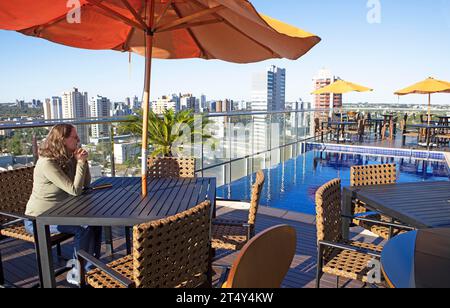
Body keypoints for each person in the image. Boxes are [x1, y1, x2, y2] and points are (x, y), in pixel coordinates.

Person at [24, 124, 102, 263]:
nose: (78, 139)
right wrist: (80, 162)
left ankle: (91, 266)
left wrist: (83, 162)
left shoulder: (69, 156)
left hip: (60, 213)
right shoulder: (47, 163)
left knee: (95, 223)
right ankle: (79, 272)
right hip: (38, 220)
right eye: (74, 136)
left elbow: (86, 184)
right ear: (62, 140)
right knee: (82, 229)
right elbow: (75, 191)